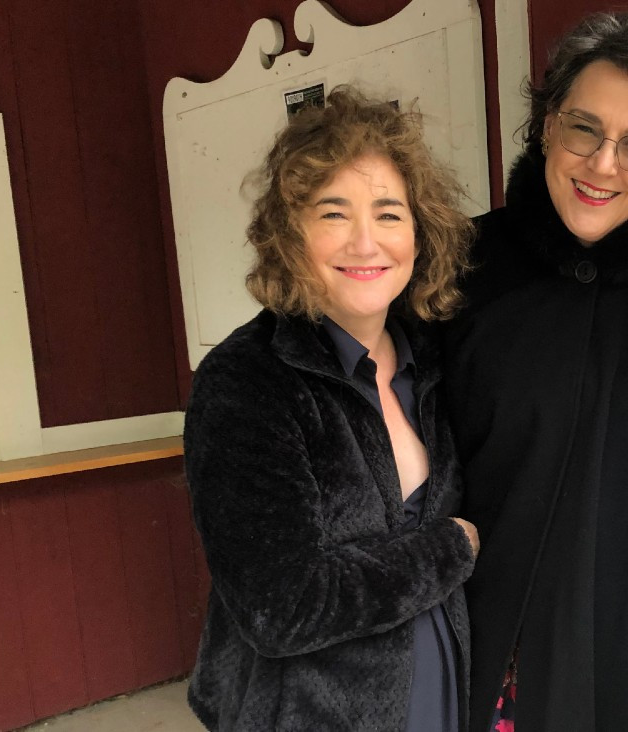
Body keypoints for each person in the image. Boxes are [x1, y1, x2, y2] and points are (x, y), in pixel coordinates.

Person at [441, 12, 628, 731]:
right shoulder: (461, 270)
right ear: (546, 124)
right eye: (583, 128)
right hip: (499, 651)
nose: (603, 164)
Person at [183, 87, 480, 732]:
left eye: (389, 213)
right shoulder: (247, 381)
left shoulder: (433, 358)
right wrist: (452, 547)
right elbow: (282, 608)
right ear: (290, 234)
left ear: (420, 231)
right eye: (333, 213)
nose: (366, 242)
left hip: (441, 694)